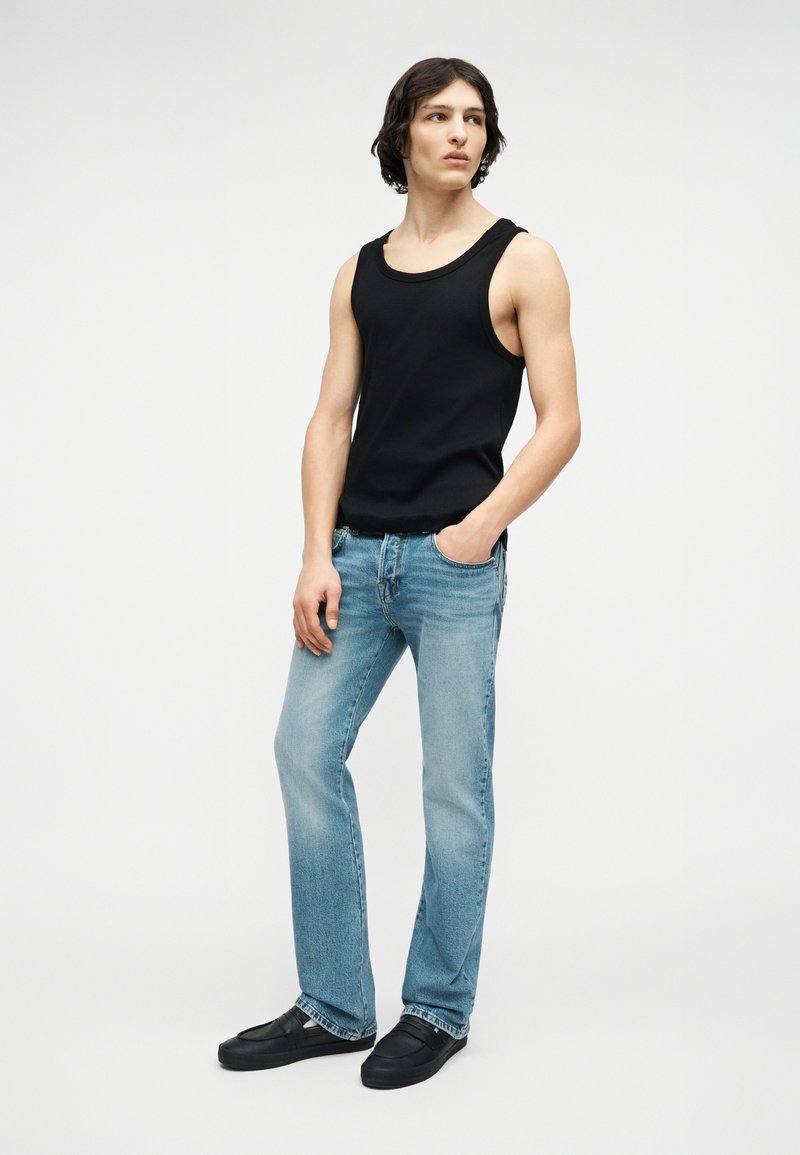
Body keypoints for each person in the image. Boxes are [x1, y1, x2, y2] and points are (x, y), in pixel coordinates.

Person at [218, 55, 580, 1090]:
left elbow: (561, 422)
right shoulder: (358, 273)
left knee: (452, 790)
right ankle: (335, 1005)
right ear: (402, 135)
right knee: (302, 750)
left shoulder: (523, 261)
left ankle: (436, 1010)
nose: (460, 133)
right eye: (438, 116)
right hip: (354, 556)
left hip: (454, 567)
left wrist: (478, 528)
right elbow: (330, 419)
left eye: (476, 118)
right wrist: (313, 552)